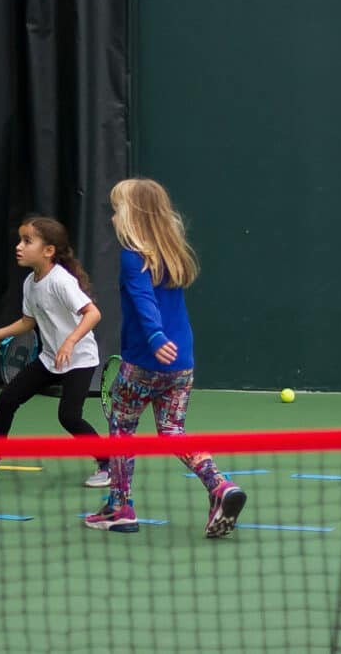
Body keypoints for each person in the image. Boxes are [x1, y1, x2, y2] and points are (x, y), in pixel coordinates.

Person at [85, 178, 246, 537]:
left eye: (116, 209)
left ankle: (121, 508)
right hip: (181, 365)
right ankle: (220, 486)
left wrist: (155, 337)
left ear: (131, 214)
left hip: (145, 362)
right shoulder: (172, 253)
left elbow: (144, 301)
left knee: (121, 429)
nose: (112, 217)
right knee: (173, 432)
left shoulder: (132, 257)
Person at [0, 216, 110, 487]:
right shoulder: (30, 282)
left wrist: (70, 342)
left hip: (79, 359)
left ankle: (108, 463)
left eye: (27, 241)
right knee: (8, 398)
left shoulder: (61, 281)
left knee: (69, 417)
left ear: (48, 250)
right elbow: (29, 321)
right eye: (20, 240)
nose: (19, 246)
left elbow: (93, 313)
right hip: (50, 358)